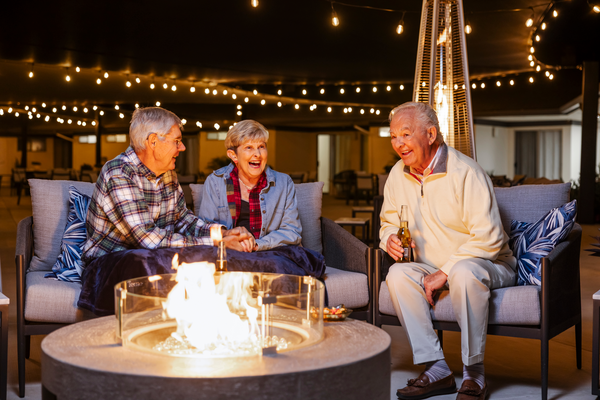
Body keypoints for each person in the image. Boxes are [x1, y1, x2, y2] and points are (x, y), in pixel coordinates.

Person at [380, 102, 516, 400]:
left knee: (465, 272)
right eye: (393, 136)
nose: (398, 143)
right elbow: (388, 222)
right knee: (398, 273)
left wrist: (446, 271)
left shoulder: (465, 171)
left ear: (430, 134)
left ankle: (474, 374)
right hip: (431, 266)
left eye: (405, 134)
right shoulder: (397, 175)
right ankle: (437, 368)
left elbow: (490, 237)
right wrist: (389, 237)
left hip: (487, 264)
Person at [81, 106, 253, 267]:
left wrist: (222, 234)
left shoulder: (167, 173)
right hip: (108, 264)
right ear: (153, 141)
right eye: (177, 141)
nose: (183, 147)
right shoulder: (119, 173)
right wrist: (217, 242)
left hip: (153, 258)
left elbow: (182, 220)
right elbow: (148, 239)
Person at [199, 119, 302, 251]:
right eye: (249, 147)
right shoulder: (215, 182)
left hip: (271, 251)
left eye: (261, 147)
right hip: (229, 252)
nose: (257, 154)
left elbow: (292, 231)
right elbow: (206, 229)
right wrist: (232, 241)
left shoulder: (284, 183)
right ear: (233, 155)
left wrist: (257, 244)